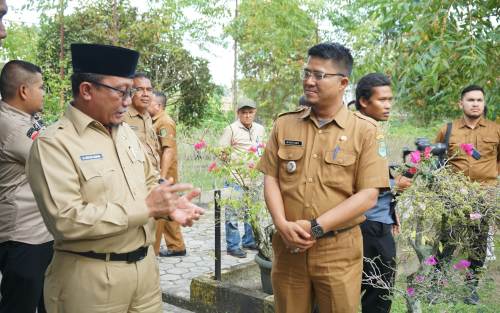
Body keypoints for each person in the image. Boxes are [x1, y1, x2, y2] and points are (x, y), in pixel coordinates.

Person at [27, 43, 204, 313]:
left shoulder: (126, 134)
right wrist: (146, 208)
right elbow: (66, 219)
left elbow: (148, 182)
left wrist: (168, 206)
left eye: (130, 91)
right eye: (121, 91)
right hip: (91, 280)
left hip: (145, 274)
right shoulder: (54, 143)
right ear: (86, 90)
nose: (128, 100)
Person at [257, 42, 390, 313]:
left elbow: (368, 195)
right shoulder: (285, 123)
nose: (309, 81)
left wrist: (315, 227)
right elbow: (271, 177)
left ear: (343, 82)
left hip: (338, 250)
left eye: (319, 75)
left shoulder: (366, 131)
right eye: (306, 73)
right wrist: (282, 224)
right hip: (288, 247)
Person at [434, 84, 499, 305]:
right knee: (447, 241)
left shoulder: (495, 129)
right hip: (454, 197)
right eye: (470, 100)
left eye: (479, 100)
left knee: (478, 243)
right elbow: (437, 161)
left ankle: (471, 288)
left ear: (484, 103)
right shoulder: (448, 129)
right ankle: (435, 285)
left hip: (484, 198)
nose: (475, 104)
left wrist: (490, 182)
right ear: (461, 103)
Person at [354, 73, 411, 313]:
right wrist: (393, 183)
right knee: (378, 291)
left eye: (390, 99)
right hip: (368, 224)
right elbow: (353, 178)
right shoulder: (360, 129)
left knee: (374, 287)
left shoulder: (373, 129)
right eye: (382, 100)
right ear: (364, 101)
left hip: (379, 219)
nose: (388, 105)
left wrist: (392, 208)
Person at [0, 60, 53, 313]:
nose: (44, 93)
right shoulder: (11, 126)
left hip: (38, 232)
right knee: (19, 305)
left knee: (48, 302)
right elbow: (54, 159)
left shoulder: (26, 119)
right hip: (23, 237)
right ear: (23, 91)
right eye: (41, 87)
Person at [218, 98, 265, 258]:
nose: (247, 115)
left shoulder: (260, 129)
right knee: (232, 214)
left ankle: (249, 240)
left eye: (250, 112)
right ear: (238, 113)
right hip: (235, 178)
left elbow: (261, 149)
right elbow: (222, 152)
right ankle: (233, 245)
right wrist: (232, 167)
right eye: (244, 112)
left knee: (250, 213)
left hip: (254, 178)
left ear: (255, 113)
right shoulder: (230, 129)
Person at [147, 91, 187, 257]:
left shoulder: (165, 122)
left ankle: (152, 251)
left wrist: (161, 178)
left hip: (165, 174)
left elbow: (168, 151)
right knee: (169, 209)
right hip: (160, 174)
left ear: (158, 106)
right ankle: (177, 246)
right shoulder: (153, 121)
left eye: (150, 102)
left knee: (160, 212)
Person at [124, 72, 161, 173]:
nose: (145, 94)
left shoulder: (147, 116)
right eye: (139, 89)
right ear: (130, 91)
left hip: (154, 178)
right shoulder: (122, 116)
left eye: (149, 90)